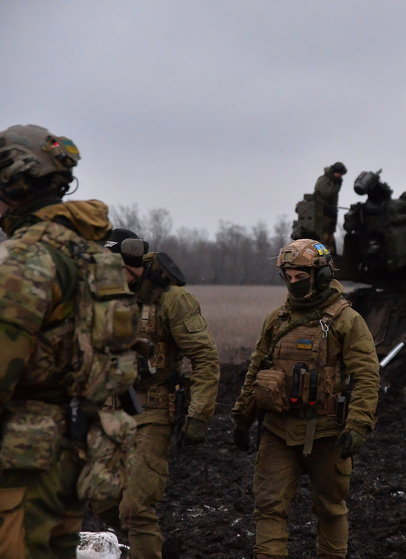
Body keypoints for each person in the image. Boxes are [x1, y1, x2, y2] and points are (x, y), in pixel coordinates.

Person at [0, 124, 140, 558]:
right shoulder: (93, 256)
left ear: (15, 180)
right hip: (75, 448)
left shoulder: (26, 259)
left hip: (21, 461)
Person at [231, 238, 379, 559]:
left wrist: (358, 426)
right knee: (269, 507)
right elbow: (257, 367)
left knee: (330, 508)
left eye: (301, 276)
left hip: (327, 434)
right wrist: (242, 417)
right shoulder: (277, 319)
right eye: (289, 277)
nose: (294, 284)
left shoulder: (347, 321)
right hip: (277, 431)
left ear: (321, 275)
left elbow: (367, 377)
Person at [92, 228, 221, 559]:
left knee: (135, 506)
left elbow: (205, 359)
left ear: (131, 264)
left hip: (153, 412)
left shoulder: (172, 299)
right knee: (102, 498)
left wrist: (199, 413)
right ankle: (148, 549)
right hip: (110, 413)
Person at [314, 162, 347, 253]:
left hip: (330, 216)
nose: (340, 176)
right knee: (323, 238)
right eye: (339, 174)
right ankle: (323, 256)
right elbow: (328, 194)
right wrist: (337, 185)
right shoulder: (323, 180)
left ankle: (331, 258)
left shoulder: (333, 181)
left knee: (329, 238)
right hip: (322, 215)